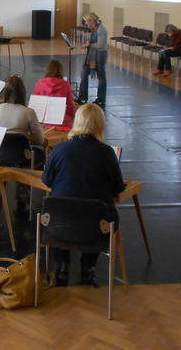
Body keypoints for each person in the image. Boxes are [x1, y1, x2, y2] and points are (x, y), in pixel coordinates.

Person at [42, 104, 125, 286]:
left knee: (64, 208)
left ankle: (62, 266)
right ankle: (88, 268)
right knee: (100, 212)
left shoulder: (60, 149)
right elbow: (117, 188)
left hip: (59, 222)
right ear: (100, 124)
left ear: (77, 122)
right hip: (95, 225)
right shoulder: (107, 152)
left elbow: (46, 181)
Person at [0, 76, 44, 145]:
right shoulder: (29, 112)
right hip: (21, 151)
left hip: (1, 150)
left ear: (6, 92)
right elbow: (40, 141)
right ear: (23, 92)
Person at [76, 13, 108, 108]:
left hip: (100, 55)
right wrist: (88, 43)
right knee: (84, 74)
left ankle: (101, 99)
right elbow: (93, 41)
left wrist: (89, 45)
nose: (85, 23)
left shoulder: (101, 30)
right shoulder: (93, 29)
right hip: (92, 54)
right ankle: (82, 97)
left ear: (91, 21)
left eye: (86, 21)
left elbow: (101, 45)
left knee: (101, 77)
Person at [33, 59, 76, 130]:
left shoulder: (40, 83)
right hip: (62, 123)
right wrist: (72, 117)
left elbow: (35, 105)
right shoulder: (65, 84)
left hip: (42, 123)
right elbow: (70, 107)